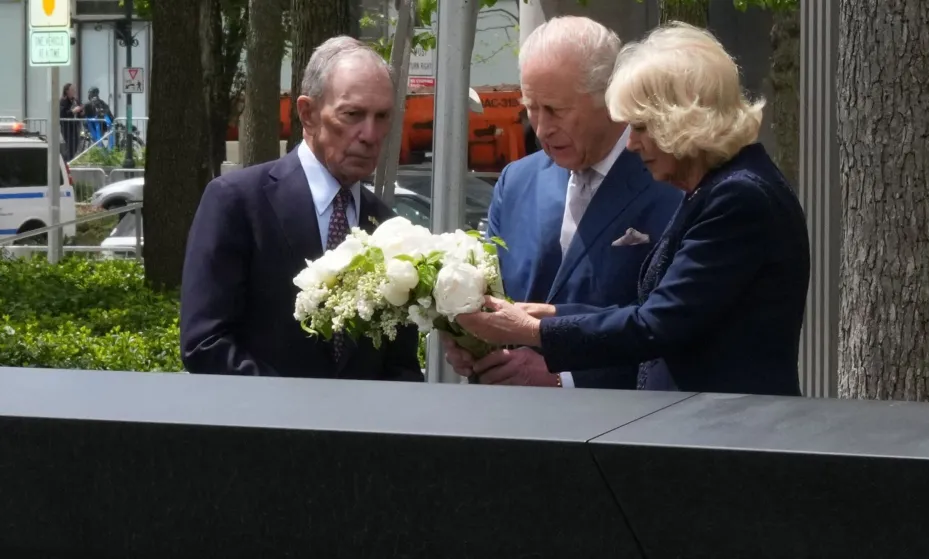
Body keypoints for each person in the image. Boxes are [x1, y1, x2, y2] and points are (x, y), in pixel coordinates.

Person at [454, 22, 811, 397]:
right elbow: (654, 310)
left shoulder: (738, 197)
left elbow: (656, 323)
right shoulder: (721, 187)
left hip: (728, 436)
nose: (632, 144)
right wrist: (548, 315)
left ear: (684, 119)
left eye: (640, 126)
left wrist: (532, 331)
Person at [444, 16, 682, 390]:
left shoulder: (669, 181)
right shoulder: (517, 181)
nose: (540, 128)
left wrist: (565, 379)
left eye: (555, 109)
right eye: (531, 108)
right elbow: (494, 297)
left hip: (622, 428)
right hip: (509, 425)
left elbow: (669, 330)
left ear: (610, 97)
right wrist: (472, 342)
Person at [180, 36, 423, 382]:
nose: (370, 134)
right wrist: (294, 414)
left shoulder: (388, 228)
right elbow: (205, 344)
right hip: (263, 430)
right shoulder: (237, 203)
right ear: (308, 114)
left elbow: (400, 367)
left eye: (382, 116)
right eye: (352, 114)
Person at [59, 84, 82, 160]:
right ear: (67, 91)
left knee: (75, 145)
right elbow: (62, 114)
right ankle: (66, 161)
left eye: (74, 90)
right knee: (70, 146)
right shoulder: (63, 101)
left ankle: (68, 160)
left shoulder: (75, 101)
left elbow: (80, 112)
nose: (74, 91)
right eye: (72, 90)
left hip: (75, 126)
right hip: (67, 127)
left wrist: (81, 112)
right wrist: (73, 111)